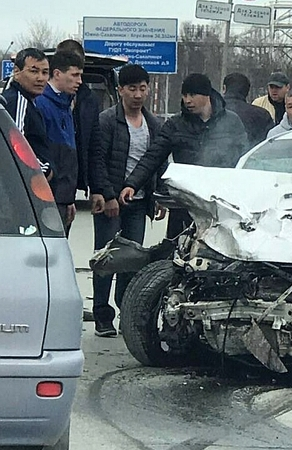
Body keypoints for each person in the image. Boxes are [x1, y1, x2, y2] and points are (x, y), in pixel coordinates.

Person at [118, 73, 248, 239]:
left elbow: (244, 159)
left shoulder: (231, 122)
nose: (187, 100)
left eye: (192, 95)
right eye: (185, 95)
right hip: (184, 205)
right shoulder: (176, 125)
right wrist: (132, 184)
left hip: (221, 205)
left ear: (207, 95)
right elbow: (153, 157)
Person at [88, 64, 164, 338]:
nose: (138, 94)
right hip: (111, 202)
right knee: (107, 259)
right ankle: (102, 314)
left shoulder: (153, 124)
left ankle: (126, 311)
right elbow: (98, 160)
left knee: (132, 261)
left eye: (143, 88)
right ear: (120, 90)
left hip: (140, 203)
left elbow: (157, 163)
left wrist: (158, 197)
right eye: (132, 88)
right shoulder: (107, 120)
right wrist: (107, 195)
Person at [36, 51, 83, 235]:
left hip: (63, 197)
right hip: (47, 198)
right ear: (57, 74)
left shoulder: (66, 105)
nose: (79, 81)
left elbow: (68, 157)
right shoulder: (41, 104)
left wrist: (69, 198)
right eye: (74, 75)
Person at [57, 39, 101, 203]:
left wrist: (97, 188)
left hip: (72, 179)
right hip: (47, 179)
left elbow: (94, 146)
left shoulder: (89, 100)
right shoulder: (41, 98)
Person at [2, 47, 52, 177]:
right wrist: (45, 170)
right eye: (34, 71)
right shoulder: (18, 102)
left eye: (45, 72)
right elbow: (15, 149)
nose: (40, 78)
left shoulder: (29, 102)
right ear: (17, 72)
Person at [222, 72, 274, 148]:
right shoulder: (261, 115)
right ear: (247, 92)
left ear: (224, 88)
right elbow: (268, 144)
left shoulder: (212, 111)